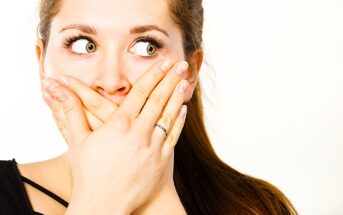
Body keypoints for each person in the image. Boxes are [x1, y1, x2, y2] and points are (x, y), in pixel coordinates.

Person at [0, 0, 298, 214]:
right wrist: (100, 201)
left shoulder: (258, 207)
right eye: (83, 44)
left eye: (146, 46)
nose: (111, 80)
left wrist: (157, 197)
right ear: (41, 62)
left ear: (190, 71)